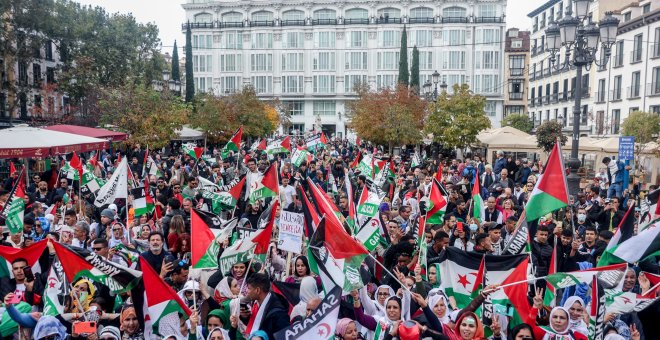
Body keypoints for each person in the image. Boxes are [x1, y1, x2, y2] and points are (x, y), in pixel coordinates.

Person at [245, 273, 290, 339]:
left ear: (257, 290)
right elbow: (256, 324)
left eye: (249, 288)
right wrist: (244, 317)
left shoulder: (279, 313)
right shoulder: (257, 303)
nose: (246, 291)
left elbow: (284, 336)